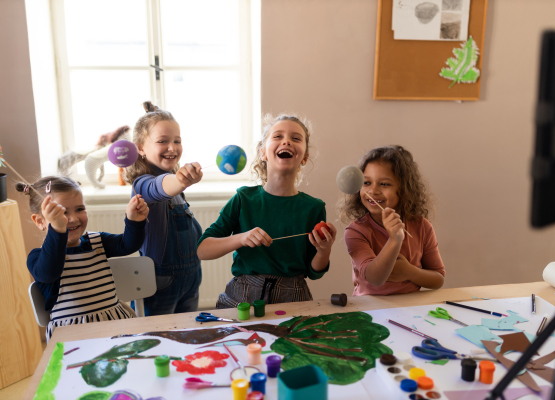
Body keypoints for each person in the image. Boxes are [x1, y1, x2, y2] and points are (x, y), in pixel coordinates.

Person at [197, 114, 336, 308]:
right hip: (242, 297)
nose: (286, 141)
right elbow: (202, 250)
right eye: (277, 136)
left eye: (296, 138)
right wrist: (241, 238)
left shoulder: (314, 207)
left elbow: (315, 273)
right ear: (263, 153)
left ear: (304, 157)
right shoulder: (243, 199)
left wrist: (324, 250)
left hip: (293, 297)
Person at [18, 176, 148, 341]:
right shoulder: (38, 257)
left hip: (115, 327)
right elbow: (49, 273)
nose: (72, 218)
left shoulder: (97, 241)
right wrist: (57, 230)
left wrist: (134, 221)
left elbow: (127, 245)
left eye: (79, 209)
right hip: (73, 337)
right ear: (40, 221)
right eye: (62, 212)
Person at [126, 101, 203, 315]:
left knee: (186, 335)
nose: (172, 147)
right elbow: (159, 187)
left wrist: (179, 183)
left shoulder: (175, 186)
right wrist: (181, 180)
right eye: (163, 141)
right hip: (159, 281)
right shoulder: (142, 183)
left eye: (177, 141)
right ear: (140, 148)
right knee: (157, 339)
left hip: (191, 277)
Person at [340, 145, 445, 296]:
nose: (373, 191)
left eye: (384, 184)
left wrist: (410, 272)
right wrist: (395, 240)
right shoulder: (356, 231)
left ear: (403, 189)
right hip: (368, 309)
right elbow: (374, 278)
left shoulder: (422, 227)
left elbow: (438, 279)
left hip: (410, 309)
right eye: (367, 183)